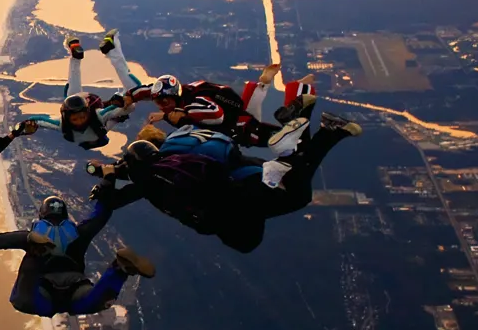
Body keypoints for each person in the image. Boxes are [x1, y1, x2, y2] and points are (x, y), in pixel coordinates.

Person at [90, 111, 363, 252]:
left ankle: (311, 142)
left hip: (238, 200)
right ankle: (320, 135)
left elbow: (113, 200)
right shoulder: (173, 156)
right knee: (291, 188)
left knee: (289, 203)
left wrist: (107, 180)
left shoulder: (149, 181)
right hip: (244, 169)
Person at [0, 194, 156, 318]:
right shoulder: (79, 233)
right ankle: (119, 270)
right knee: (95, 300)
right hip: (75, 287)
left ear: (41, 216)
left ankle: (35, 258)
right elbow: (100, 216)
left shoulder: (30, 237)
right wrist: (105, 188)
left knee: (22, 300)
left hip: (42, 291)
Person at [115, 63, 317, 151]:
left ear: (174, 97)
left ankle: (300, 93)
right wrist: (130, 97)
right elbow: (149, 90)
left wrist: (176, 114)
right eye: (158, 102)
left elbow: (217, 115)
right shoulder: (176, 93)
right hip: (239, 114)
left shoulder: (192, 103)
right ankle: (275, 85)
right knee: (251, 113)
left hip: (241, 128)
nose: (162, 105)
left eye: (165, 102)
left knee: (290, 144)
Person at [20, 32, 139, 150]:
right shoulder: (97, 117)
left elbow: (38, 121)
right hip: (90, 103)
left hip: (87, 102)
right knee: (133, 93)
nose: (80, 122)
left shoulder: (63, 125)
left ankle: (108, 50)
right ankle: (87, 54)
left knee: (134, 91)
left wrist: (27, 125)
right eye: (80, 118)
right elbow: (39, 121)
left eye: (77, 118)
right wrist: (126, 103)